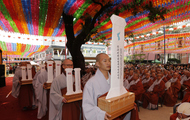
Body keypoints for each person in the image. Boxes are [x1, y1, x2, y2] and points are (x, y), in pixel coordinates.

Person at [82, 53, 139, 120]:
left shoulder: (115, 80)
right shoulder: (91, 83)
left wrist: (129, 103)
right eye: (105, 61)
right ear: (97, 64)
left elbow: (122, 95)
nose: (108, 63)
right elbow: (87, 106)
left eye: (109, 60)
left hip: (116, 115)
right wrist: (101, 114)